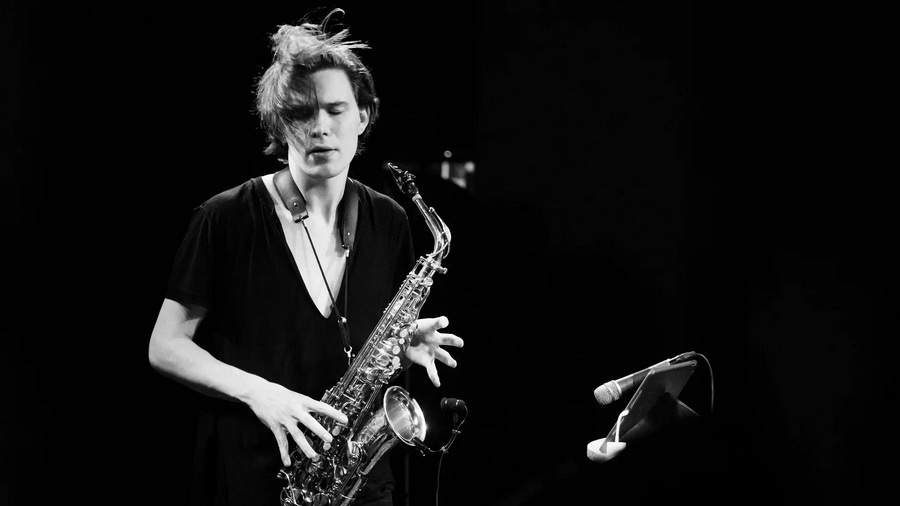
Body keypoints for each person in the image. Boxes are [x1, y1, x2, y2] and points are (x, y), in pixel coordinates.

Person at [148, 9, 464, 506]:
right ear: (280, 124)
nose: (320, 127)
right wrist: (259, 392)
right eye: (300, 113)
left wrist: (401, 343)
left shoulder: (389, 219)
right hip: (255, 477)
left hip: (358, 482)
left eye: (336, 110)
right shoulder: (226, 216)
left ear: (363, 116)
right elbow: (165, 346)